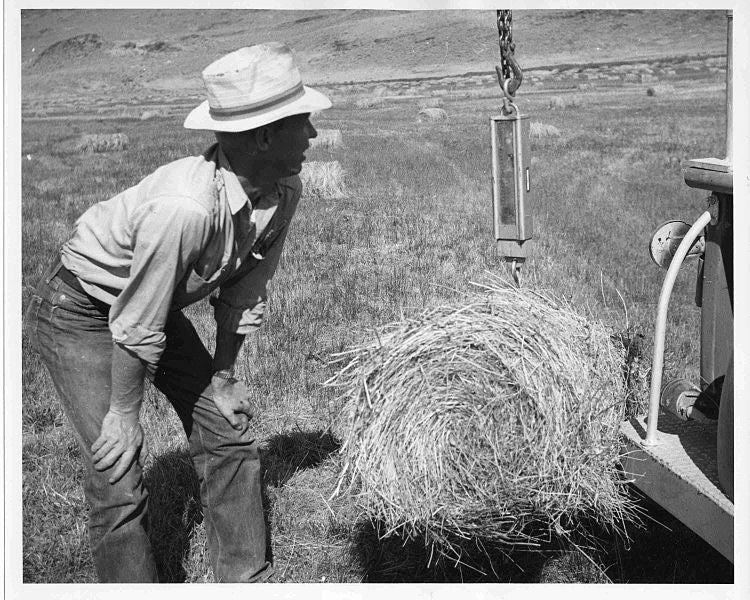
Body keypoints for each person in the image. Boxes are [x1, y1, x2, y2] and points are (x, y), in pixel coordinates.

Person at [24, 42, 331, 583]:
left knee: (227, 427)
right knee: (115, 469)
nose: (312, 135)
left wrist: (224, 376)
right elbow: (136, 324)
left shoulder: (285, 190)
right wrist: (124, 414)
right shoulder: (185, 208)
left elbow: (243, 292)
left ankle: (246, 580)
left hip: (148, 308)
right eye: (301, 122)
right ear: (263, 136)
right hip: (81, 308)